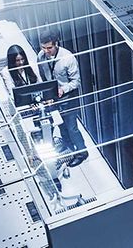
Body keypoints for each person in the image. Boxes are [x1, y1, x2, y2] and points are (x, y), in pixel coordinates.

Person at [37, 32, 88, 167]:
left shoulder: (68, 58)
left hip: (68, 97)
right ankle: (70, 150)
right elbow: (43, 77)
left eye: (49, 48)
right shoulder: (40, 56)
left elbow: (76, 82)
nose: (46, 51)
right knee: (61, 125)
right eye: (43, 47)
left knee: (72, 128)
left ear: (56, 44)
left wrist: (63, 89)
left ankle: (82, 153)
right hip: (52, 98)